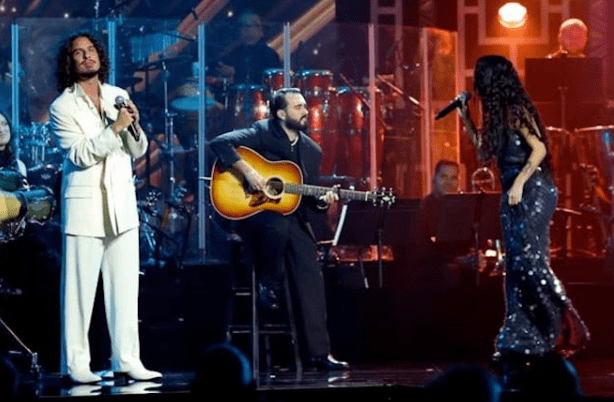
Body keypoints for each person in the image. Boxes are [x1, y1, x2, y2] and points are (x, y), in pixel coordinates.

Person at [457, 55, 590, 388]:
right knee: (515, 265)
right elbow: (484, 152)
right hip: (512, 191)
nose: (478, 85)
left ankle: (570, 322)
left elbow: (539, 150)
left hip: (533, 188)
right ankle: (522, 335)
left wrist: (518, 183)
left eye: (482, 78)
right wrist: (465, 116)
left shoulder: (516, 110)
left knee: (531, 261)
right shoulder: (496, 114)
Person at [209, 87, 348, 371]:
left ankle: (320, 353)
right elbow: (220, 142)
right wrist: (250, 172)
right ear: (281, 113)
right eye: (298, 107)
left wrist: (323, 201)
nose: (306, 111)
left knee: (310, 268)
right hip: (255, 215)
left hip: (290, 217)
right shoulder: (262, 132)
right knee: (277, 224)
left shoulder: (312, 151)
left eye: (305, 106)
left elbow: (308, 198)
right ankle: (269, 283)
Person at [49, 32, 161, 384]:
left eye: (91, 50)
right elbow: (81, 154)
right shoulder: (62, 107)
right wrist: (116, 128)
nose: (87, 56)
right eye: (78, 53)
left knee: (126, 291)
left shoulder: (116, 95)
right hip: (85, 208)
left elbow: (137, 150)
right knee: (79, 294)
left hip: (121, 206)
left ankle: (127, 359)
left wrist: (134, 126)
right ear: (69, 63)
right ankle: (76, 365)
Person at [214, 10, 281, 85]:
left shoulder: (269, 54)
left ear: (260, 30)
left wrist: (236, 75)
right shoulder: (233, 53)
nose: (243, 29)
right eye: (240, 26)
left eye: (247, 26)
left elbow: (270, 81)